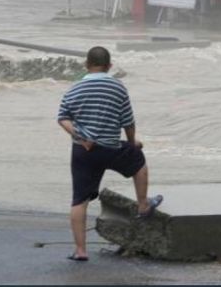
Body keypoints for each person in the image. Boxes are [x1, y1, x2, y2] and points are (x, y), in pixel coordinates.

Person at [57, 46, 162, 262]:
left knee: (79, 200)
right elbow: (128, 121)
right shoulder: (117, 87)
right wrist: (133, 143)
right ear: (109, 66)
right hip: (111, 148)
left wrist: (79, 136)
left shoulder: (75, 89)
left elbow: (62, 117)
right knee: (139, 161)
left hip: (84, 151)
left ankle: (80, 251)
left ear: (86, 65)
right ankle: (143, 204)